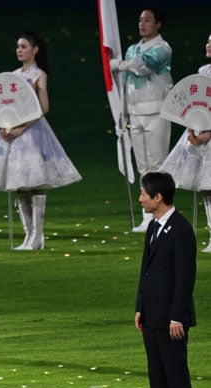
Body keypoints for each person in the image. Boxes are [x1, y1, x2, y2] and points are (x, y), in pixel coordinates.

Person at [0, 30, 81, 250]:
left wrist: (20, 129)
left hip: (30, 133)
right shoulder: (13, 75)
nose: (19, 50)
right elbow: (6, 107)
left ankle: (37, 235)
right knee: (19, 186)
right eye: (18, 47)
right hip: (11, 132)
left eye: (24, 46)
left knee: (33, 183)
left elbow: (43, 108)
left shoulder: (39, 75)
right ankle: (28, 235)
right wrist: (5, 126)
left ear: (35, 50)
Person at [111, 7, 173, 232]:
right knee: (143, 166)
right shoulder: (132, 49)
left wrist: (119, 64)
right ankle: (147, 217)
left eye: (148, 20)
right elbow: (127, 83)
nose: (142, 24)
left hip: (156, 112)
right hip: (135, 113)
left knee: (157, 165)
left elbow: (143, 66)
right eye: (140, 20)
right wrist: (123, 112)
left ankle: (163, 215)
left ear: (158, 24)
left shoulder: (162, 48)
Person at [134, 172, 196, 388]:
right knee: (157, 378)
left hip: (171, 320)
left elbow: (185, 278)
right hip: (151, 317)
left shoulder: (180, 230)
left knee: (176, 378)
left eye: (143, 194)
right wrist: (140, 307)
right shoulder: (153, 227)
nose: (140, 199)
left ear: (157, 197)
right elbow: (146, 270)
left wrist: (177, 317)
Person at [159, 33, 211, 254]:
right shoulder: (203, 71)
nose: (207, 44)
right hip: (199, 133)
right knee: (207, 188)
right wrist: (192, 128)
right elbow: (196, 102)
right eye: (207, 40)